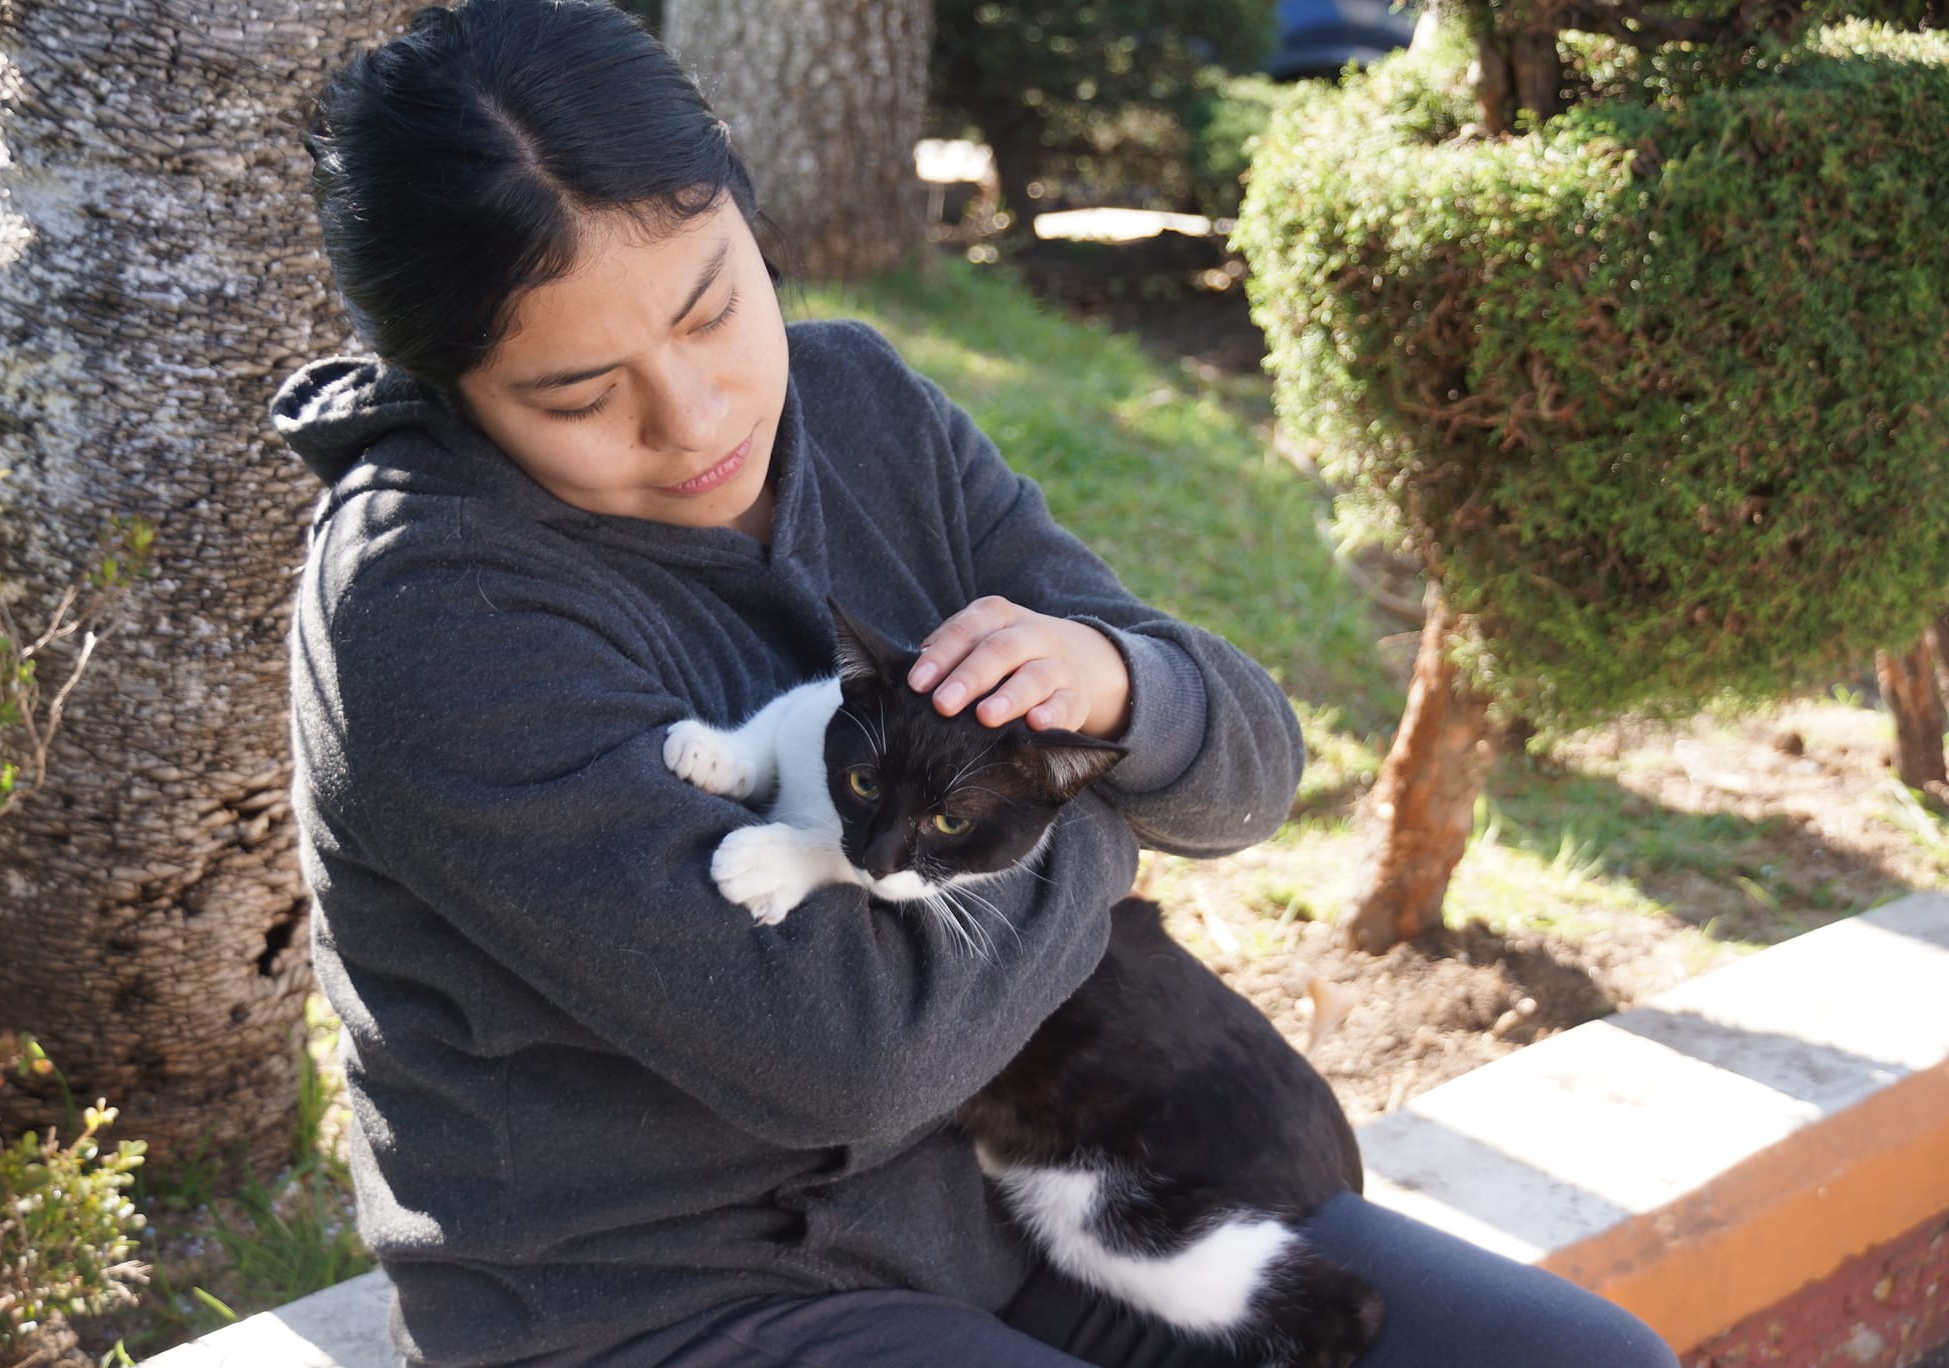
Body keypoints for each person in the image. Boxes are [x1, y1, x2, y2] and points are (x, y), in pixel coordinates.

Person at [273, 3, 1682, 1366]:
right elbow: (852, 1054)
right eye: (580, 395)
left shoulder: (864, 406)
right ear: (450, 384)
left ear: (753, 223)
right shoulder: (423, 603)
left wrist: (1125, 690)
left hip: (1015, 1220)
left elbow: (1246, 767)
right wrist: (1097, 823)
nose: (697, 417)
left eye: (714, 310)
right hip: (667, 1310)